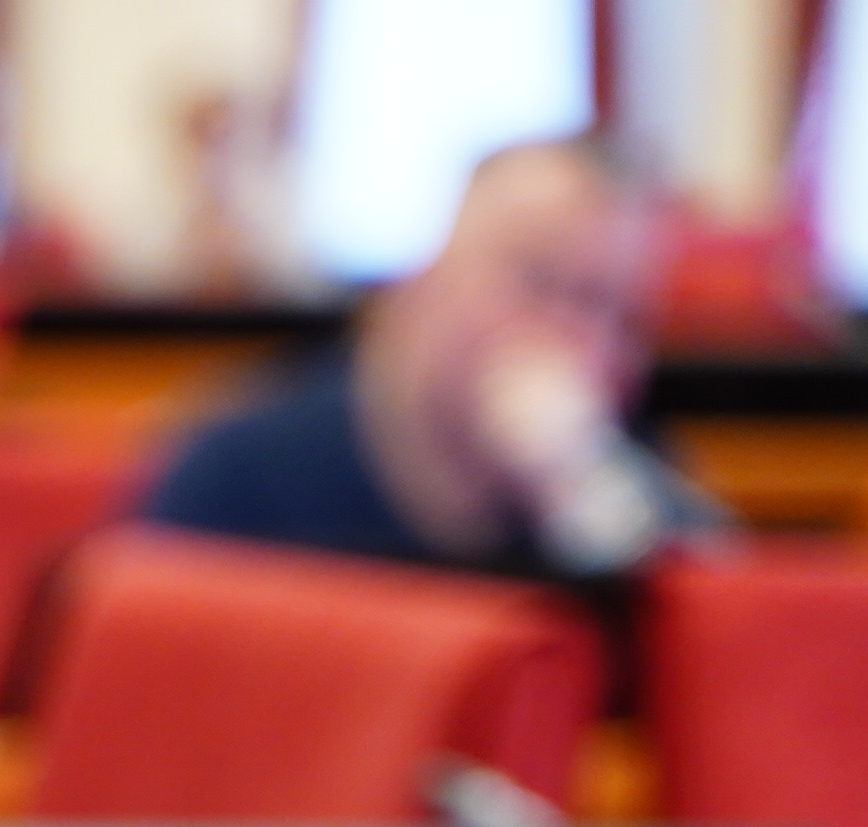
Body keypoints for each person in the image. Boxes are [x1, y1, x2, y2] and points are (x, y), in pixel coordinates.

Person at [142, 137, 717, 581]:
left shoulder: (625, 485)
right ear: (428, 278)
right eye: (537, 281)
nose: (570, 333)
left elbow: (716, 620)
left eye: (614, 310)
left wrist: (580, 491)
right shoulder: (241, 475)